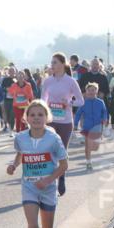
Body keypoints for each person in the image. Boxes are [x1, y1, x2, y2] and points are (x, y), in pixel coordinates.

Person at [7, 100, 68, 228]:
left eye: (40, 115)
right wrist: (14, 165)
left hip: (48, 189)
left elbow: (64, 165)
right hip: (29, 187)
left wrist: (48, 180)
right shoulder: (20, 138)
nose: (36, 118)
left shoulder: (53, 139)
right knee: (33, 227)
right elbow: (20, 154)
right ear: (26, 118)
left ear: (47, 117)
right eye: (32, 115)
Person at [40, 52, 83, 196]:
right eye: (51, 62)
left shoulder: (71, 81)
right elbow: (43, 100)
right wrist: (43, 110)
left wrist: (69, 102)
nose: (52, 65)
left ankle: (62, 177)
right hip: (51, 121)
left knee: (61, 152)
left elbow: (80, 101)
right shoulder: (47, 81)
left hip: (65, 122)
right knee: (49, 151)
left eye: (55, 62)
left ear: (63, 64)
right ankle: (50, 180)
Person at [74, 82, 109, 170]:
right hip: (87, 126)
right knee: (88, 146)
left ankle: (90, 150)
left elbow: (104, 112)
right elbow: (78, 114)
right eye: (89, 90)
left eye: (93, 90)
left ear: (96, 91)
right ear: (86, 91)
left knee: (96, 147)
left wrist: (105, 119)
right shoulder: (83, 103)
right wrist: (75, 124)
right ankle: (88, 162)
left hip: (97, 126)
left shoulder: (100, 102)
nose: (91, 92)